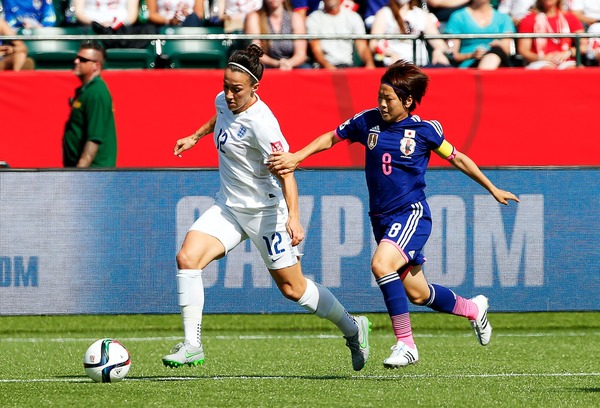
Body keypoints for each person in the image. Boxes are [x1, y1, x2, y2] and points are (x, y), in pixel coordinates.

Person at [268, 59, 519, 368]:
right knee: (418, 293)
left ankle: (406, 343)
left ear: (408, 100)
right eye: (380, 96)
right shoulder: (368, 121)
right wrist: (297, 157)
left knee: (380, 264)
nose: (382, 104)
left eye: (388, 98)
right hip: (382, 219)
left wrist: (491, 187)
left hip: (411, 214)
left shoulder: (424, 131)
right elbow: (331, 137)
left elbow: (458, 158)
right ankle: (473, 308)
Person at [162, 44, 371, 372]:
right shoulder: (223, 102)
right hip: (229, 208)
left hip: (267, 214)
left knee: (294, 290)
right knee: (187, 258)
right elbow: (218, 116)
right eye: (225, 87)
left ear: (255, 88)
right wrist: (195, 136)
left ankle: (353, 327)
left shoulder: (263, 124)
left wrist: (295, 220)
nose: (229, 95)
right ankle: (192, 345)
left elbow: (286, 171)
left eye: (237, 90)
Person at [63, 41, 117, 168]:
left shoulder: (96, 92)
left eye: (83, 59)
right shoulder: (87, 90)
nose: (76, 61)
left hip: (93, 173)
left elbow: (94, 138)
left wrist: (81, 171)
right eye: (76, 58)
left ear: (96, 66)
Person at [369, 0, 452, 67]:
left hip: (420, 65)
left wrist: (438, 51)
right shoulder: (384, 13)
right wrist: (390, 54)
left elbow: (439, 43)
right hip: (395, 68)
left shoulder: (420, 14)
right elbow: (373, 44)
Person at [444, 0, 516, 69]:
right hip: (470, 66)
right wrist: (471, 55)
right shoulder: (457, 17)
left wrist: (499, 45)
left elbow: (507, 50)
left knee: (496, 50)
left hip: (499, 62)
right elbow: (452, 54)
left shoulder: (504, 18)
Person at [306, 0, 376, 68]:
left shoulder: (353, 16)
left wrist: (369, 63)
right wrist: (329, 67)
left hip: (348, 66)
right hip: (324, 69)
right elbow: (316, 50)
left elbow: (362, 46)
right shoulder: (313, 19)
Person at [517, 0, 586, 69]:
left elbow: (584, 46)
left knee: (576, 70)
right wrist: (543, 58)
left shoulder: (569, 17)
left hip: (566, 61)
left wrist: (568, 52)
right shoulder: (529, 19)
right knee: (548, 69)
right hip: (539, 61)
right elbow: (524, 51)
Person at [244, 0, 309, 69]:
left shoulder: (295, 17)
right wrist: (276, 63)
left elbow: (301, 54)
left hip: (291, 64)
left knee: (307, 69)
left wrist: (289, 63)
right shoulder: (254, 17)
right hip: (264, 64)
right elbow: (254, 51)